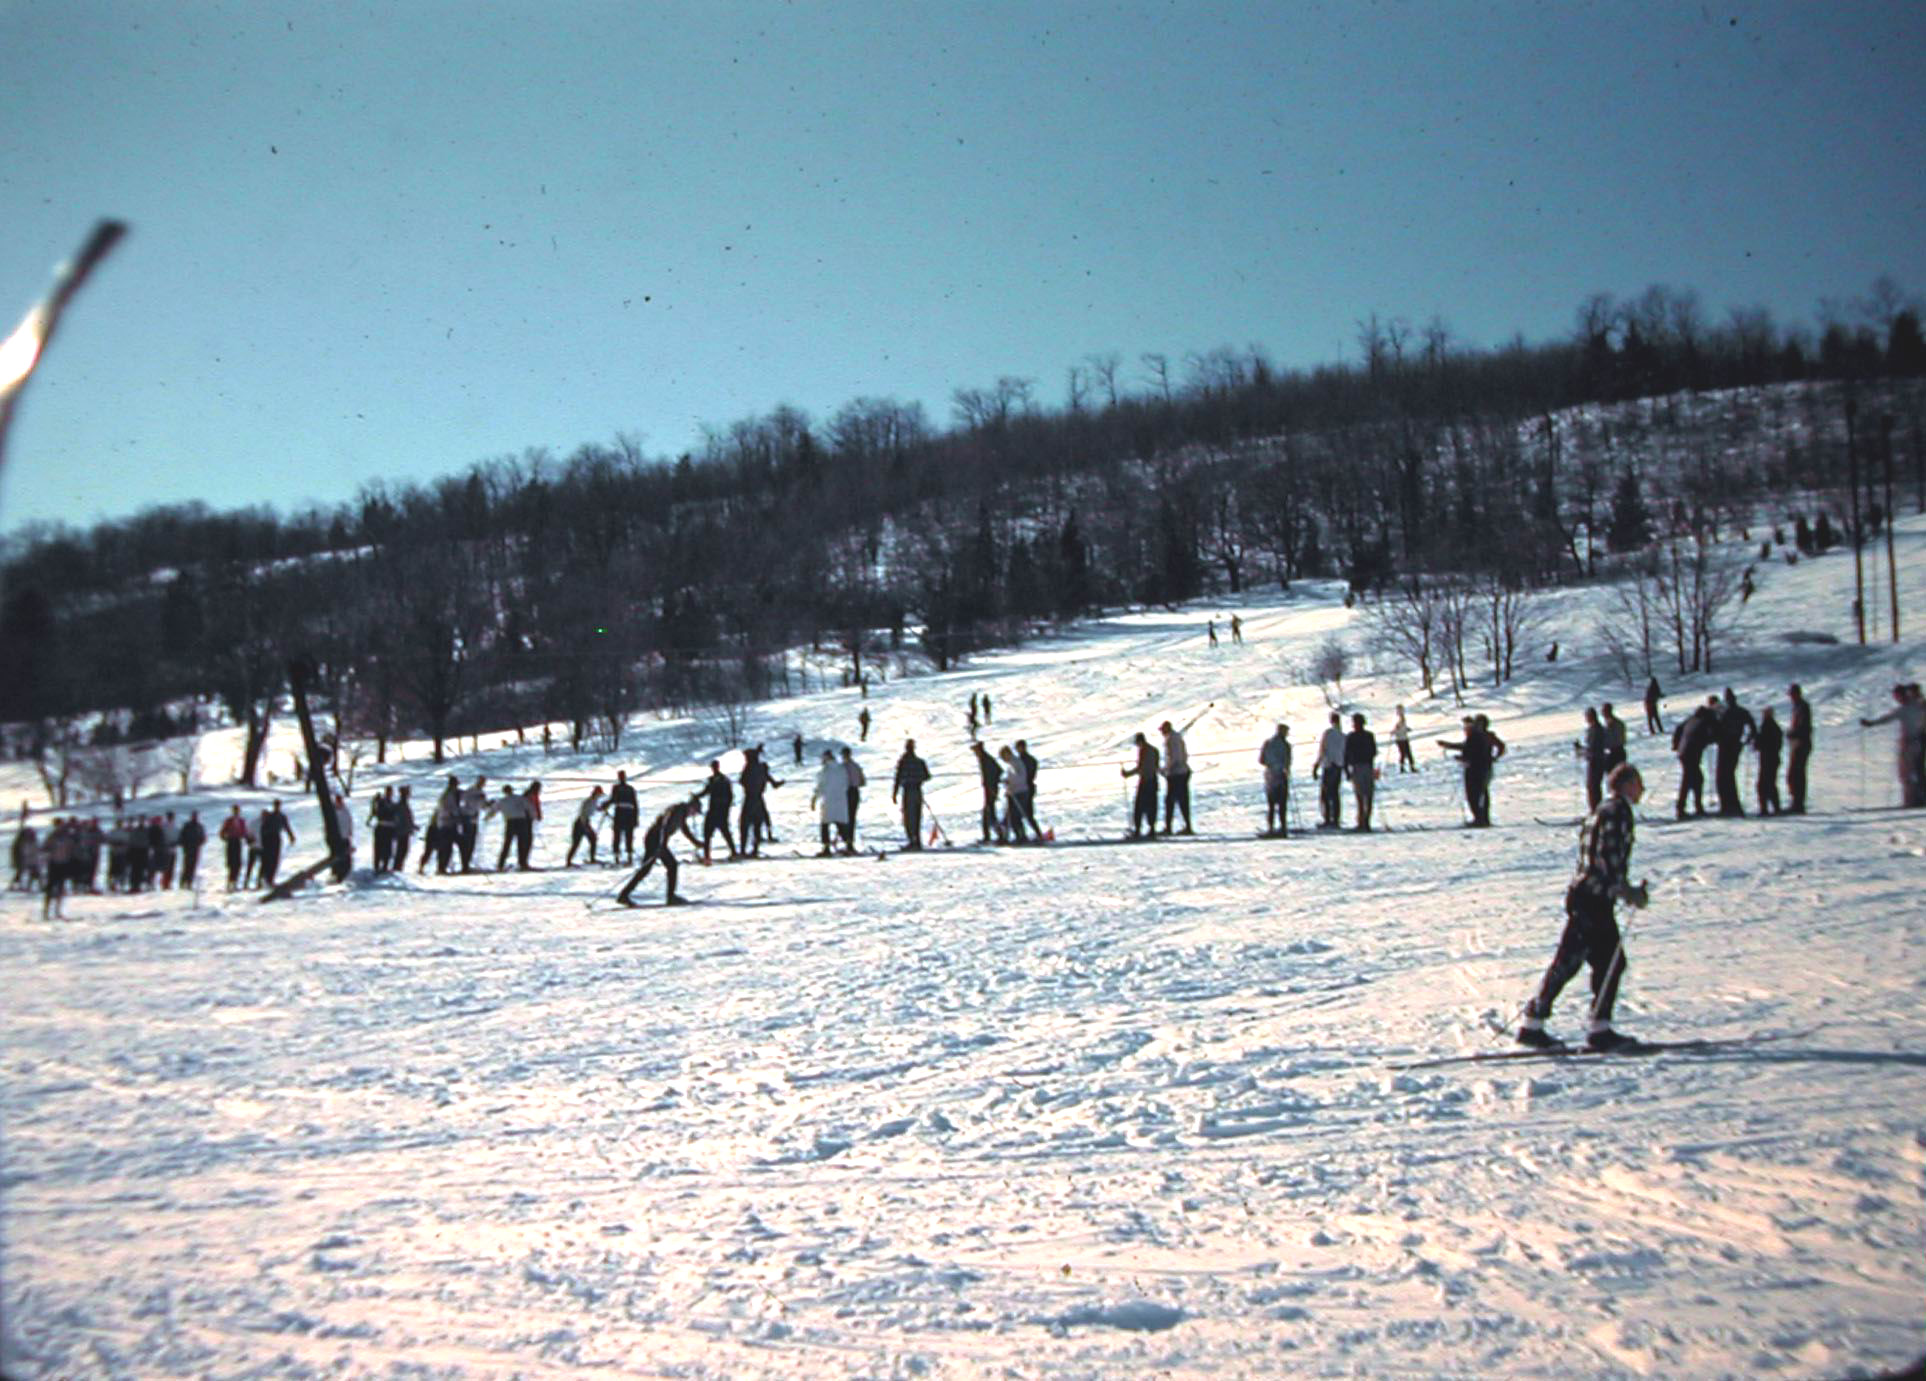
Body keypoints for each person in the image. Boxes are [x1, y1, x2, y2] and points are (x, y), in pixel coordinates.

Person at [1515, 763, 1650, 1052]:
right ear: (1626, 784)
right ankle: (1540, 1025)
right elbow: (1607, 859)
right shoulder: (1618, 812)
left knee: (1604, 962)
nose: (1642, 790)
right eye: (1639, 783)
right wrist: (1628, 892)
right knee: (1576, 961)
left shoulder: (1601, 809)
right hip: (1593, 899)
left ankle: (1590, 1027)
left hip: (1586, 895)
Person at [615, 795, 703, 906]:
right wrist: (661, 844)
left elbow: (685, 830)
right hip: (656, 839)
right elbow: (664, 825)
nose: (694, 815)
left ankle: (624, 895)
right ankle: (670, 897)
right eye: (695, 812)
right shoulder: (677, 810)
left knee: (647, 869)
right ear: (692, 807)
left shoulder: (681, 813)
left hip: (657, 839)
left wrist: (696, 843)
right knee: (671, 866)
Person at [1861, 683, 1926, 807]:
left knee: (1910, 771)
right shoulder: (1915, 706)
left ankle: (1914, 800)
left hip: (1912, 742)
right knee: (1914, 770)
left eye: (1898, 697)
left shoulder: (1910, 708)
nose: (1898, 699)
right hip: (1914, 741)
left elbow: (1887, 718)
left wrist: (1871, 723)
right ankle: (1914, 799)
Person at [1438, 715, 1506, 826]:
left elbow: (1471, 751)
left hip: (1475, 768)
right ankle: (1483, 818)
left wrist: (1462, 757)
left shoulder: (1477, 736)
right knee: (1482, 793)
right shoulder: (1486, 736)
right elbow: (1468, 748)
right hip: (1484, 767)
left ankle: (1479, 819)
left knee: (1474, 794)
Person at [1671, 698, 1719, 820]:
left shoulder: (1692, 718)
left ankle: (1693, 807)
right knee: (1690, 780)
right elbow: (1714, 733)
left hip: (1683, 752)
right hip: (1691, 753)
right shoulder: (1707, 719)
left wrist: (1676, 744)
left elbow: (1679, 728)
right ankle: (1683, 808)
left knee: (1695, 779)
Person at [1713, 688, 1756, 817]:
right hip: (1735, 744)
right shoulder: (1742, 711)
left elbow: (1716, 727)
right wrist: (1747, 740)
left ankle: (1727, 806)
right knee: (1729, 775)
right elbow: (1753, 727)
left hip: (1726, 745)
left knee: (1723, 776)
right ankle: (1732, 805)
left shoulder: (1725, 713)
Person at [739, 746, 783, 856]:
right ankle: (755, 849)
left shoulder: (748, 768)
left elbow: (742, 781)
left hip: (749, 798)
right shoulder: (762, 768)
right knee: (757, 823)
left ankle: (743, 850)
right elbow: (774, 784)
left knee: (745, 824)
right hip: (759, 799)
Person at [811, 750, 853, 855]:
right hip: (840, 800)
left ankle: (826, 848)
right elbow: (846, 783)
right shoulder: (841, 769)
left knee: (825, 824)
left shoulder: (825, 771)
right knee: (841, 824)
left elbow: (820, 786)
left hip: (828, 800)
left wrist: (814, 798)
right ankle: (848, 845)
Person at [892, 739, 930, 850]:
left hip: (908, 791)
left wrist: (895, 793)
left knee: (909, 817)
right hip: (917, 790)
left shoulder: (903, 762)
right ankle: (916, 840)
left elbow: (898, 778)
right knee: (917, 816)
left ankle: (913, 841)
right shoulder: (920, 762)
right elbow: (927, 776)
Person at [488, 784, 537, 870]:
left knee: (507, 843)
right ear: (512, 790)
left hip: (510, 822)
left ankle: (501, 864)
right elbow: (529, 807)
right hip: (521, 821)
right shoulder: (520, 798)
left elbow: (494, 810)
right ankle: (522, 863)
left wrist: (487, 817)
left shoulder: (502, 801)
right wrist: (533, 817)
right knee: (522, 843)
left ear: (504, 792)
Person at [1121, 732, 1159, 839]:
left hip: (1146, 781)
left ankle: (1138, 830)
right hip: (1153, 780)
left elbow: (1140, 768)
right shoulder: (1154, 750)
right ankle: (1152, 829)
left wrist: (1127, 774)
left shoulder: (1144, 750)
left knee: (1139, 806)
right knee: (1152, 806)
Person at [1343, 712, 1377, 831]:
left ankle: (1362, 821)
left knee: (1360, 796)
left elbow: (1346, 754)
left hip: (1357, 767)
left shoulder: (1351, 737)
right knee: (1368, 795)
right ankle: (1366, 821)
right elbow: (1374, 752)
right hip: (1367, 766)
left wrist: (1347, 770)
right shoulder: (1369, 736)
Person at [1159, 720, 1193, 835]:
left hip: (1176, 774)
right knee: (1183, 800)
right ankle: (1187, 826)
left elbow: (1173, 758)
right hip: (1183, 771)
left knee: (1170, 801)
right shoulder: (1178, 738)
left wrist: (1165, 770)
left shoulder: (1171, 740)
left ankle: (1169, 828)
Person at [700, 761, 738, 863]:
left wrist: (726, 809)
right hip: (717, 811)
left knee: (715, 832)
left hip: (718, 811)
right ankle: (707, 855)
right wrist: (697, 796)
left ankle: (708, 856)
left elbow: (729, 796)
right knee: (712, 833)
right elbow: (706, 791)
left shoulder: (722, 780)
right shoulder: (716, 780)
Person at [1258, 724, 1292, 835]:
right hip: (1282, 776)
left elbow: (1261, 760)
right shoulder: (1286, 745)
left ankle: (1271, 828)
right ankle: (1283, 827)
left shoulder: (1267, 743)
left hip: (1271, 776)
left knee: (1271, 804)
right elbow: (1288, 762)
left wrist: (1270, 764)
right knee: (1282, 804)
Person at [1786, 684, 1814, 814]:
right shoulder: (1797, 707)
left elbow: (1804, 727)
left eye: (1792, 694)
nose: (1791, 697)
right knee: (1793, 774)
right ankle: (1795, 801)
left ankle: (1798, 803)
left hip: (1802, 743)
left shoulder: (1803, 707)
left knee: (1797, 773)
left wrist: (1793, 733)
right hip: (1796, 743)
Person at [1316, 712, 1347, 829]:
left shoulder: (1328, 733)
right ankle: (1336, 819)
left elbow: (1322, 750)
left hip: (1328, 766)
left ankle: (1327, 818)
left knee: (1325, 793)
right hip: (1338, 766)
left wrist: (1316, 765)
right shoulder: (1343, 736)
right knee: (1335, 793)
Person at [1754, 706, 1785, 816]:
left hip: (1767, 758)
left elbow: (1762, 741)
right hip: (1773, 758)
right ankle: (1775, 807)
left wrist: (1757, 742)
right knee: (1770, 783)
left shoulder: (1766, 726)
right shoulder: (1775, 727)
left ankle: (1765, 808)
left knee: (1764, 784)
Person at [257, 800, 295, 888]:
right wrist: (263, 840)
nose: (277, 807)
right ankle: (264, 879)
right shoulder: (269, 816)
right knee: (268, 859)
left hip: (276, 837)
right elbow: (263, 828)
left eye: (278, 805)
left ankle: (271, 879)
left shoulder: (282, 816)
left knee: (275, 859)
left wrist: (291, 836)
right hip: (268, 838)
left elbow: (287, 826)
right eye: (276, 805)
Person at [972, 741, 1004, 843]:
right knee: (989, 814)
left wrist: (991, 784)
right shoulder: (984, 759)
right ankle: (994, 835)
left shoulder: (986, 760)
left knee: (989, 814)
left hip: (991, 790)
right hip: (989, 790)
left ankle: (996, 835)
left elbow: (998, 772)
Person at [568, 785, 608, 866]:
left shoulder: (594, 801)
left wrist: (602, 808)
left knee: (593, 840)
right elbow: (583, 813)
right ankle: (569, 861)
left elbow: (596, 809)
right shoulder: (589, 801)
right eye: (599, 794)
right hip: (581, 823)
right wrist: (584, 826)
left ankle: (592, 858)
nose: (600, 796)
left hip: (585, 822)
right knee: (577, 843)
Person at [999, 745, 1031, 843]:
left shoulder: (1015, 763)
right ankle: (1016, 835)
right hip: (1015, 792)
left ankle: (1021, 836)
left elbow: (1019, 777)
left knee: (1015, 816)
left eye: (1003, 757)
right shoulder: (1012, 764)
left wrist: (1009, 781)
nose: (1003, 760)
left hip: (1020, 792)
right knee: (1011, 816)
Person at [457, 775, 488, 871]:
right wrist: (479, 799)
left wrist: (487, 804)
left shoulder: (481, 792)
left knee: (472, 842)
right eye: (482, 781)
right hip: (467, 817)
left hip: (474, 819)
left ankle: (467, 863)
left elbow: (483, 806)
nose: (483, 784)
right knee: (467, 841)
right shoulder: (471, 790)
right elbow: (466, 801)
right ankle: (464, 864)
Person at [609, 770, 640, 865]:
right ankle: (623, 856)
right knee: (625, 835)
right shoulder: (630, 789)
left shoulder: (617, 788)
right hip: (628, 814)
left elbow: (613, 799)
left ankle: (622, 856)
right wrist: (635, 818)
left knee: (620, 835)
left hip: (622, 813)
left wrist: (604, 805)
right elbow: (635, 804)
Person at [1580, 707, 1608, 812]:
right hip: (1594, 760)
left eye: (1587, 717)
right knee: (1592, 786)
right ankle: (1595, 808)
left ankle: (1596, 809)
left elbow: (1594, 746)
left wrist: (1585, 751)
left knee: (1593, 786)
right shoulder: (1594, 729)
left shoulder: (1596, 730)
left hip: (1596, 760)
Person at [219, 805, 251, 890]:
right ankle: (230, 882)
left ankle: (235, 882)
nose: (236, 812)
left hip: (237, 842)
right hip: (231, 842)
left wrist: (248, 839)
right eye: (235, 811)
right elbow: (222, 832)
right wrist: (225, 838)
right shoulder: (228, 821)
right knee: (231, 862)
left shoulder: (241, 821)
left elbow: (244, 832)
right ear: (232, 811)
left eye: (237, 811)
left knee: (237, 863)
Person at [841, 746, 866, 851]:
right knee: (852, 817)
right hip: (855, 792)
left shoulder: (842, 768)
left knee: (844, 818)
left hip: (845, 793)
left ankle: (847, 841)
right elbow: (863, 782)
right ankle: (850, 841)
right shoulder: (856, 766)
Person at [1015, 739, 1042, 839]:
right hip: (1024, 788)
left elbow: (1028, 775)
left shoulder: (1027, 760)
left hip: (1026, 789)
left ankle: (1036, 834)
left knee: (1026, 813)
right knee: (1024, 813)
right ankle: (1027, 834)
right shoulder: (1021, 760)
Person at [368, 786, 399, 872]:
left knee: (387, 849)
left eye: (390, 792)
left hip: (389, 829)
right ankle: (376, 866)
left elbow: (395, 817)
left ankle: (385, 866)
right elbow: (375, 812)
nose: (389, 794)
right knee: (378, 848)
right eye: (388, 792)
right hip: (381, 827)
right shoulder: (380, 802)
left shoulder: (393, 804)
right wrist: (375, 802)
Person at [393, 785, 417, 871]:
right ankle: (397, 867)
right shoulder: (401, 805)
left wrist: (412, 826)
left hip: (404, 831)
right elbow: (402, 818)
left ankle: (398, 867)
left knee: (403, 850)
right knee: (402, 850)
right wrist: (409, 826)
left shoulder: (404, 804)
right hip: (402, 831)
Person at [1600, 703, 1628, 773]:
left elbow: (1608, 742)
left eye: (1603, 712)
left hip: (1614, 754)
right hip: (1620, 752)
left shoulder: (1609, 726)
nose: (1602, 714)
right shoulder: (1620, 723)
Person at [1393, 705, 1415, 773]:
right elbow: (1397, 730)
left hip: (1404, 738)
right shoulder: (1398, 719)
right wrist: (1402, 730)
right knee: (1403, 753)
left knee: (1408, 753)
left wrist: (1406, 729)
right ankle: (1402, 768)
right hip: (1400, 739)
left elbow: (1401, 728)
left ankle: (1411, 767)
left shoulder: (1402, 719)